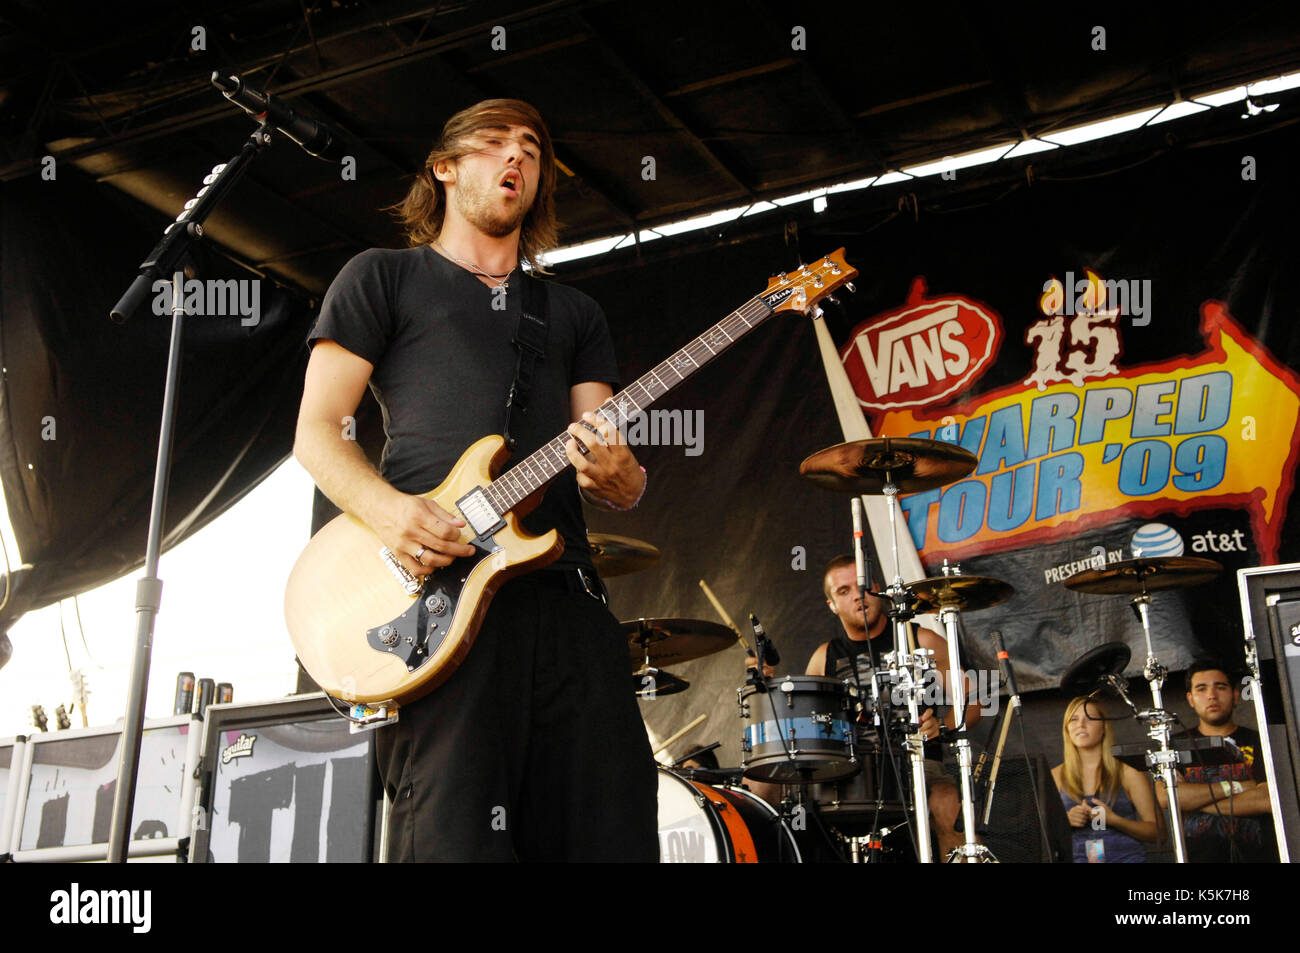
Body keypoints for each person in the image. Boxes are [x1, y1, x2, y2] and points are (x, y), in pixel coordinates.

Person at [293, 99, 657, 861]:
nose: (515, 157)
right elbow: (318, 430)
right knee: (456, 841)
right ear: (445, 167)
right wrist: (392, 514)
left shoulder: (573, 311)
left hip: (566, 601)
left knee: (611, 833)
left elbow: (608, 467)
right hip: (438, 605)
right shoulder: (382, 278)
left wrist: (623, 476)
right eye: (493, 143)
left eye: (531, 146)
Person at [809, 554, 981, 860]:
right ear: (832, 605)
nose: (857, 597)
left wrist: (942, 727)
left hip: (918, 766)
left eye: (862, 586)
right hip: (852, 774)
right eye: (843, 591)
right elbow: (808, 725)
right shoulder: (825, 657)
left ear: (878, 589)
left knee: (947, 803)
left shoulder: (921, 640)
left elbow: (975, 701)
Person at [1154, 658, 1278, 862]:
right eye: (1201, 689)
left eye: (1220, 687)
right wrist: (1239, 787)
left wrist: (1192, 800)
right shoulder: (1173, 746)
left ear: (1235, 695)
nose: (1211, 696)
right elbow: (1167, 797)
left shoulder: (1261, 740)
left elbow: (1266, 799)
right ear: (1190, 699)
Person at [1051, 696, 1159, 863]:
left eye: (1090, 718)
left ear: (1104, 727)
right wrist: (1064, 821)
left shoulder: (1128, 773)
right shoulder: (1055, 776)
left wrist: (1115, 820)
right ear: (1066, 729)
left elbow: (1158, 833)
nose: (1081, 724)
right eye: (1074, 719)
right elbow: (1037, 838)